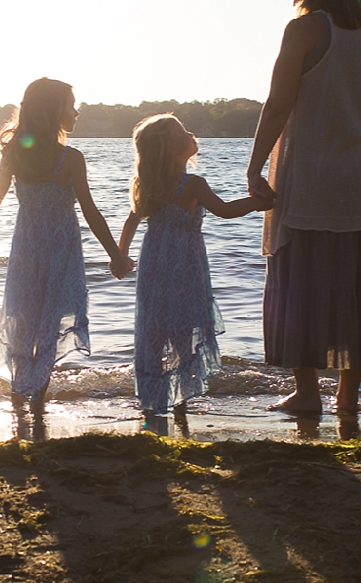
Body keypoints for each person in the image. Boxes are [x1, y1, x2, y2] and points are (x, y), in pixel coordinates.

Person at [246, 0, 361, 416]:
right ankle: (346, 398)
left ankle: (308, 393)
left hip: (316, 177)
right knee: (358, 287)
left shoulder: (304, 29)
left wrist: (254, 166)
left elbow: (277, 104)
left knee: (304, 285)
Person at [0, 78, 133, 413]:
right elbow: (90, 211)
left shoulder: (16, 153)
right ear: (55, 110)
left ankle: (19, 401)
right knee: (49, 321)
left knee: (23, 319)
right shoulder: (70, 158)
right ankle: (37, 403)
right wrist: (115, 255)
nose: (77, 112)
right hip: (60, 250)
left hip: (27, 249)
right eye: (71, 105)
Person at [112, 114, 269, 422]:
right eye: (182, 131)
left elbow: (131, 220)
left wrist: (121, 255)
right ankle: (180, 403)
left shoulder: (150, 184)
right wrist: (257, 203)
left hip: (153, 264)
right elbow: (224, 211)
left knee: (154, 330)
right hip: (185, 266)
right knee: (184, 332)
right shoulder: (192, 183)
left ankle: (151, 403)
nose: (191, 132)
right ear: (171, 148)